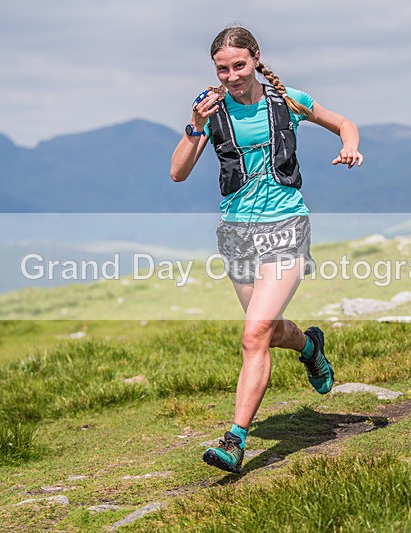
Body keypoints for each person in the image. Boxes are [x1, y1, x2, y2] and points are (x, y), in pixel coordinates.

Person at [170, 26, 364, 475]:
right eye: (223, 69)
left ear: (256, 59)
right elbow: (178, 172)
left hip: (285, 226)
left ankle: (234, 441)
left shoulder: (284, 98)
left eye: (239, 65)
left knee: (252, 335)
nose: (232, 76)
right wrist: (195, 126)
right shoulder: (209, 109)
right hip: (237, 233)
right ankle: (310, 346)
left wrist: (349, 147)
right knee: (270, 332)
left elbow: (343, 123)